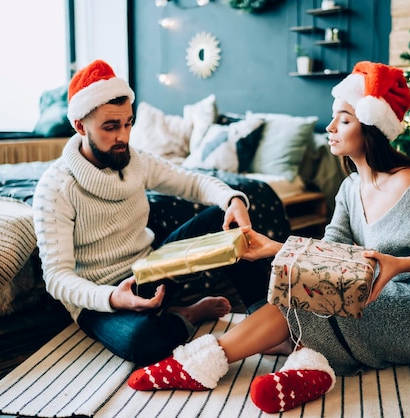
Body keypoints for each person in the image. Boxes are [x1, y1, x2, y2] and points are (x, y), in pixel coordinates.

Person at [127, 61, 410, 413]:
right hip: (382, 299)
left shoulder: (409, 184)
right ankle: (309, 367)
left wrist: (399, 264)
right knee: (306, 289)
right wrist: (272, 247)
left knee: (306, 300)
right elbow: (329, 254)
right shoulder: (349, 188)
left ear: (372, 127)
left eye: (344, 120)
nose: (330, 127)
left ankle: (203, 362)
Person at [32, 59, 271, 366]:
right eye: (110, 126)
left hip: (150, 269)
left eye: (128, 123)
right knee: (142, 343)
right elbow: (56, 277)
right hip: (100, 296)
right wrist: (111, 298)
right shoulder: (55, 187)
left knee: (223, 218)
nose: (123, 136)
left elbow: (193, 181)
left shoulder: (137, 159)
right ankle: (186, 316)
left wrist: (232, 199)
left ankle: (265, 326)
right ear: (80, 126)